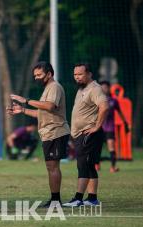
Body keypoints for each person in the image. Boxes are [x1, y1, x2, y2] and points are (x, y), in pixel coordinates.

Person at [9, 61, 71, 207]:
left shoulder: (54, 87)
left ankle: (56, 200)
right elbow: (41, 113)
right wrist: (22, 110)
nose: (36, 78)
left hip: (56, 131)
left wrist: (26, 101)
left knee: (53, 166)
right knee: (50, 166)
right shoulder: (47, 89)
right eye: (35, 75)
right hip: (48, 133)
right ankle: (54, 199)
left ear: (49, 74)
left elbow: (49, 106)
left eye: (39, 75)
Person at [63, 63, 109, 207]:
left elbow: (104, 106)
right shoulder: (82, 89)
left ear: (89, 74)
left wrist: (96, 127)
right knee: (88, 165)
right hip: (80, 134)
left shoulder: (95, 89)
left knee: (83, 165)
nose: (77, 77)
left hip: (89, 134)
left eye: (80, 74)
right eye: (75, 74)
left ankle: (78, 198)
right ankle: (92, 199)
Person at [96, 80, 130, 173]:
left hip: (110, 128)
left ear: (109, 89)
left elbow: (120, 112)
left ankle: (112, 167)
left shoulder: (113, 101)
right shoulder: (97, 99)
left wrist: (125, 123)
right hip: (99, 127)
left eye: (106, 87)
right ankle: (97, 165)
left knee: (111, 147)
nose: (104, 89)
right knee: (97, 147)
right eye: (102, 87)